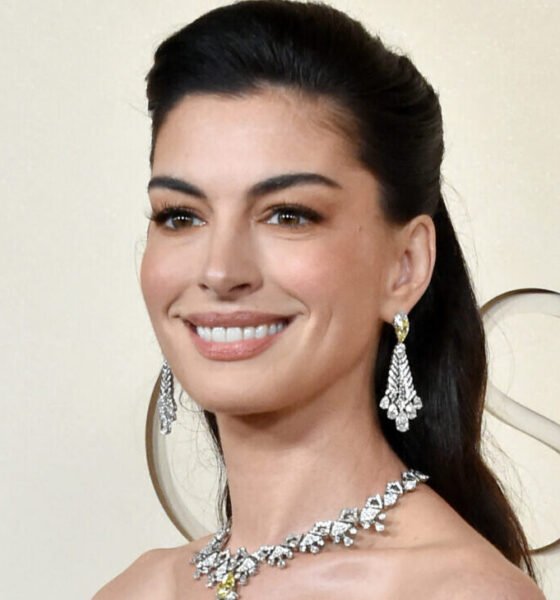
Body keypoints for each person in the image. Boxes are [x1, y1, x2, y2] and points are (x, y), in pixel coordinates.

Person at [93, 1, 547, 598]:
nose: (220, 271)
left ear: (405, 266)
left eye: (288, 215)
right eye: (181, 216)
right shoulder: (138, 589)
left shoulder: (461, 592)